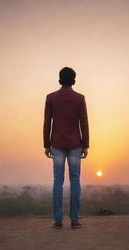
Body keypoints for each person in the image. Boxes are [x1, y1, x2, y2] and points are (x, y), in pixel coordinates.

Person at [43, 67, 89, 229]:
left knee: (58, 181)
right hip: (75, 144)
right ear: (74, 80)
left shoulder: (51, 98)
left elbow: (47, 123)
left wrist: (46, 144)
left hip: (56, 144)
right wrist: (85, 145)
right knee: (75, 180)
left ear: (59, 79)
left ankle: (57, 219)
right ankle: (74, 219)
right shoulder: (80, 98)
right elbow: (83, 123)